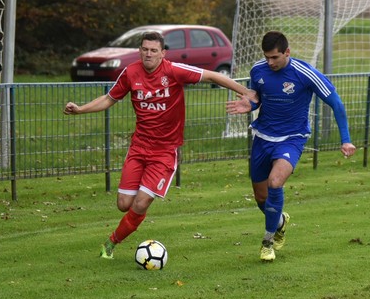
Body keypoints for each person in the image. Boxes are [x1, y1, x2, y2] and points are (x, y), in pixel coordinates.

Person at [63, 31, 257, 260]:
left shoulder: (174, 71)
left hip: (164, 152)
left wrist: (246, 92)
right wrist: (81, 109)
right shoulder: (130, 72)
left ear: (163, 53)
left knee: (141, 202)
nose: (148, 54)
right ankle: (132, 218)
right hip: (138, 148)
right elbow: (109, 99)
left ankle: (111, 243)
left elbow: (213, 76)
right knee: (124, 204)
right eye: (145, 49)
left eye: (154, 50)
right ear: (140, 51)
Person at [225, 31, 355, 262]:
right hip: (262, 138)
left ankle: (267, 242)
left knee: (275, 182)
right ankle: (280, 221)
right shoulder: (258, 70)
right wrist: (250, 105)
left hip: (292, 138)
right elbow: (258, 97)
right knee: (261, 198)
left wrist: (345, 139)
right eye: (266, 57)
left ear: (287, 52)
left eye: (275, 57)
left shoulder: (305, 73)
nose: (270, 62)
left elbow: (336, 103)